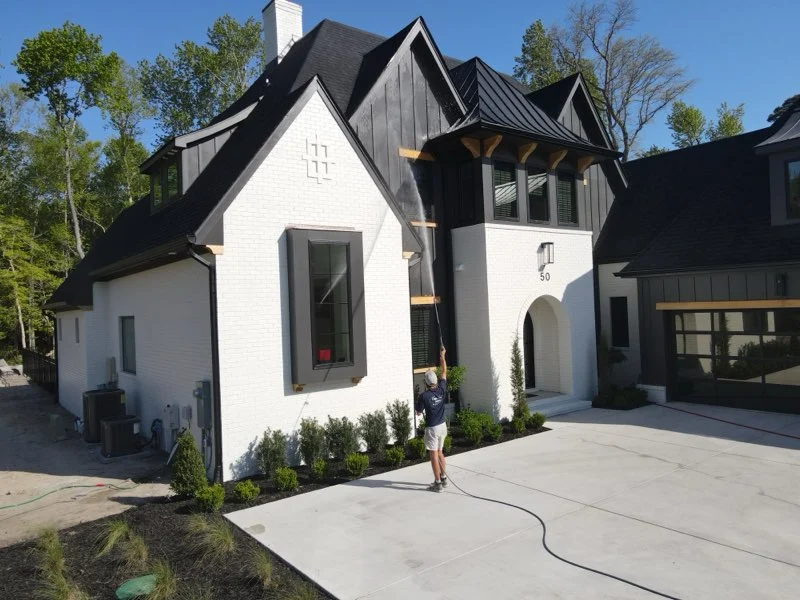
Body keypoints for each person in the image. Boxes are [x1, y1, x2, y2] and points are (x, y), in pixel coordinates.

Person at [415, 346, 448, 492]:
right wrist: (442, 356)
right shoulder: (442, 388)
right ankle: (444, 478)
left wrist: (419, 410)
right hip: (443, 426)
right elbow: (444, 371)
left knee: (433, 454)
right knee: (440, 452)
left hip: (432, 428)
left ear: (426, 383)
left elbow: (418, 412)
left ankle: (437, 483)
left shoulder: (424, 396)